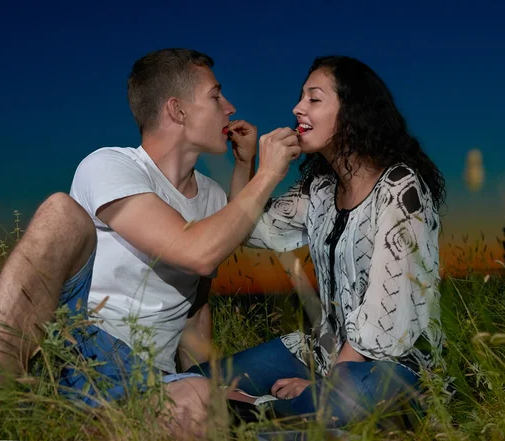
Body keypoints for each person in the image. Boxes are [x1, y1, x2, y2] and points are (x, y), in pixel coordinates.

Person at [0, 48, 301, 440]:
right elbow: (195, 251)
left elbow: (201, 292)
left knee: (201, 401)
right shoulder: (111, 165)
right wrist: (269, 173)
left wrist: (245, 166)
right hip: (73, 348)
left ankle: (64, 425)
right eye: (216, 96)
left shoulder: (214, 198)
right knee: (61, 213)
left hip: (148, 381)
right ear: (177, 110)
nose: (230, 107)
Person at [189, 55, 448, 430]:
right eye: (300, 98)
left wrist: (324, 385)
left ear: (352, 111)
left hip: (390, 363)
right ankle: (274, 412)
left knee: (345, 401)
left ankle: (256, 409)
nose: (297, 108)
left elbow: (383, 318)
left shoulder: (400, 188)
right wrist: (249, 164)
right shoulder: (321, 189)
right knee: (196, 380)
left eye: (314, 98)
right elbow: (247, 230)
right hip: (323, 350)